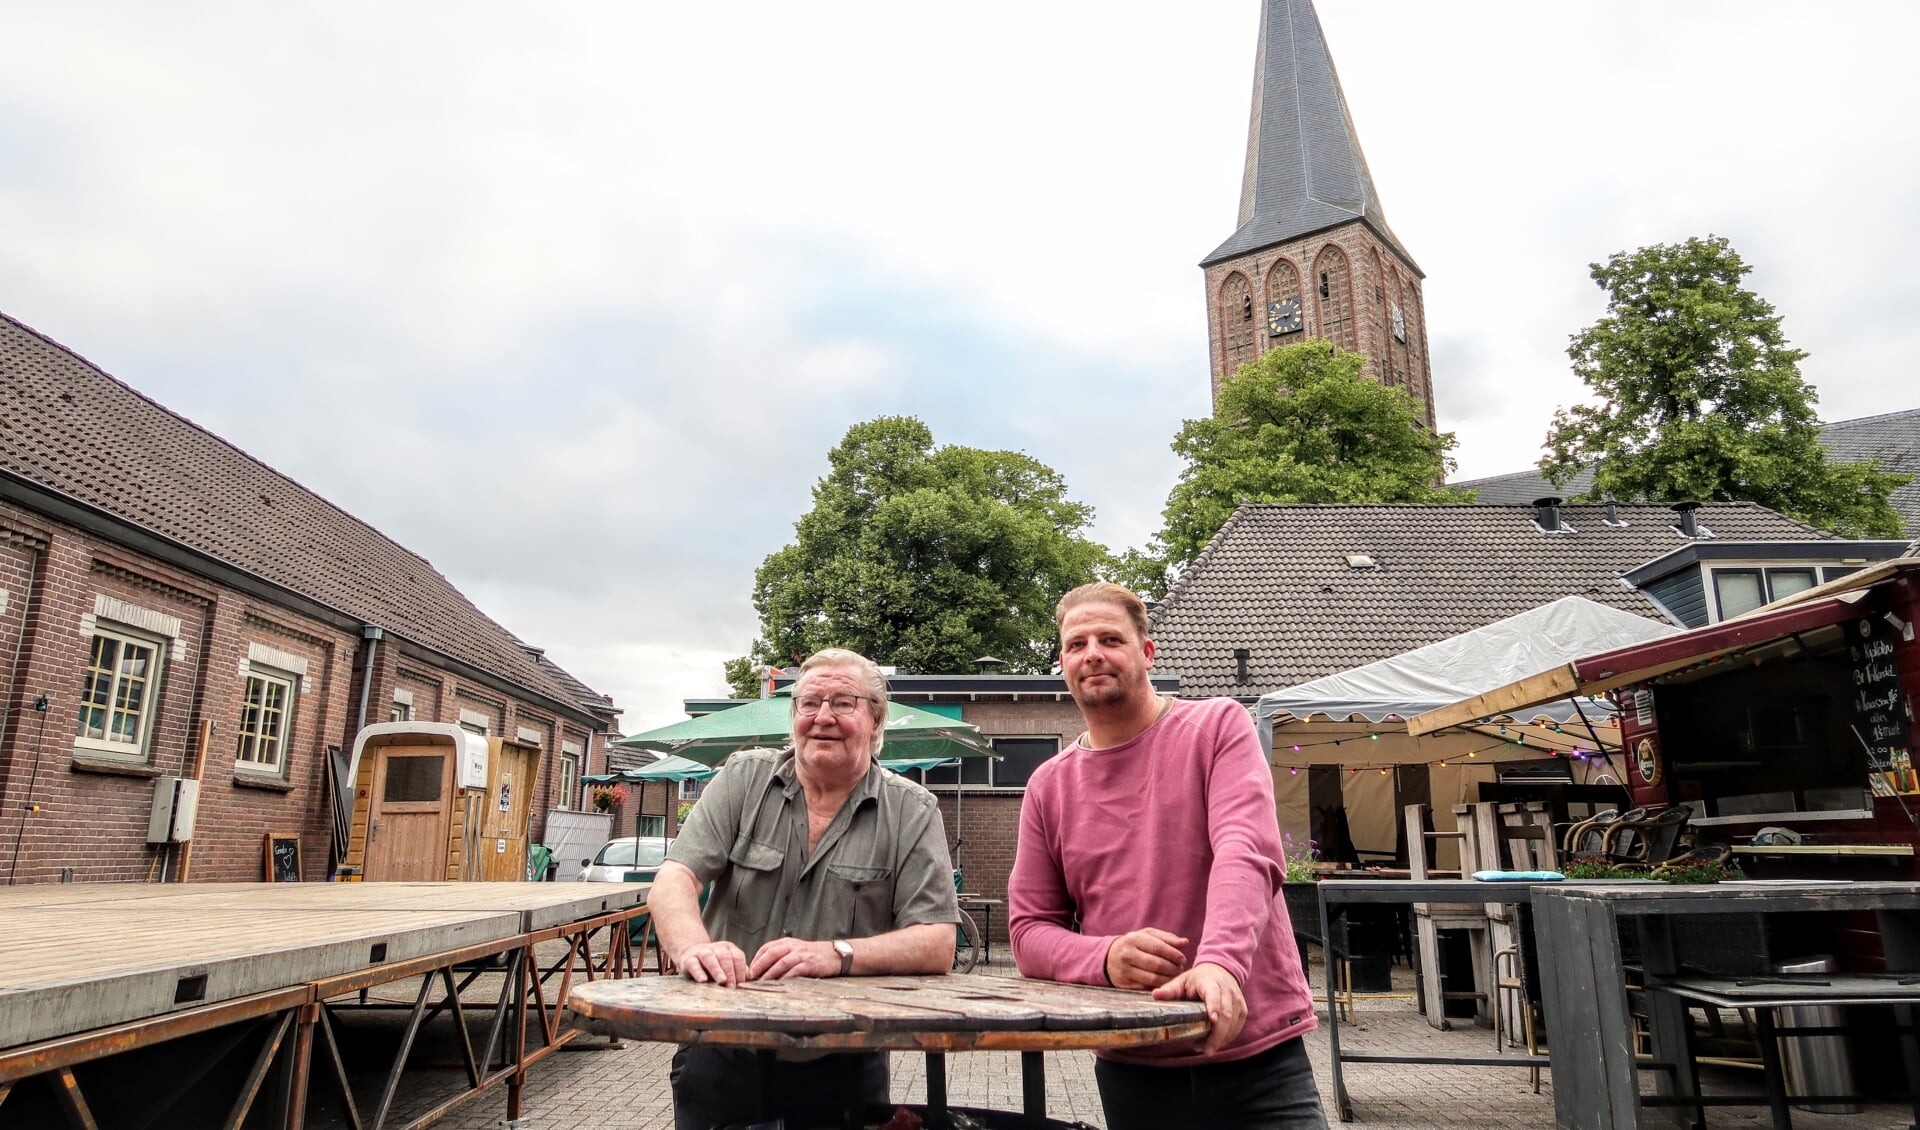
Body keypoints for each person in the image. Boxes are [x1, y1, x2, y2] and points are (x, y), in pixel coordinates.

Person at [1009, 582, 1326, 1129]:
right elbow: (1029, 931)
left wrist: (1219, 964)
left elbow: (1246, 850)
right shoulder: (1047, 785)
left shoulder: (1218, 726)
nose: (1093, 654)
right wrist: (1104, 959)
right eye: (1076, 643)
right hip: (1134, 1059)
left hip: (1257, 1054)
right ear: (1062, 662)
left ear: (1147, 652)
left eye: (1111, 638)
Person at [648, 647, 959, 1130]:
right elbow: (674, 878)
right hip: (722, 1049)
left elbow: (938, 941)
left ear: (876, 720)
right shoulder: (743, 778)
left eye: (843, 703)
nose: (823, 718)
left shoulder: (912, 810)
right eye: (809, 703)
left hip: (845, 1059)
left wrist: (836, 954)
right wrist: (693, 948)